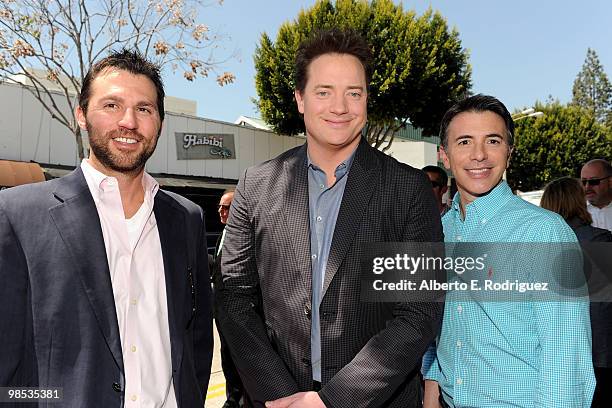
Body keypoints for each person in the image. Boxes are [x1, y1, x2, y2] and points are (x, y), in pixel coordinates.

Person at [217, 29, 443, 408]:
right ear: (300, 99)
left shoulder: (409, 189)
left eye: (353, 93)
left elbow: (418, 311)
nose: (340, 106)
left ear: (367, 100)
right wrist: (282, 395)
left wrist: (333, 401)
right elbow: (234, 299)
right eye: (324, 92)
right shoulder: (256, 186)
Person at [0, 49, 212, 407]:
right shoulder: (18, 214)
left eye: (144, 109)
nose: (128, 122)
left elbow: (197, 343)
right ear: (82, 115)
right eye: (111, 105)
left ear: (159, 122)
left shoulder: (187, 218)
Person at [422, 94, 595, 407]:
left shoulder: (544, 233)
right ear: (444, 155)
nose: (479, 155)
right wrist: (432, 386)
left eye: (492, 140)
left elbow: (565, 356)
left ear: (509, 152)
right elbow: (443, 329)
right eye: (463, 142)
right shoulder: (438, 233)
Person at [541, 176, 612, 408]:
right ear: (577, 202)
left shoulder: (540, 244)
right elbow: (604, 304)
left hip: (552, 349)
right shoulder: (599, 240)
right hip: (598, 349)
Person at [210, 189, 247, 408]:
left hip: (237, 311)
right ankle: (233, 399)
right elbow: (219, 266)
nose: (221, 212)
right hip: (221, 310)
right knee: (226, 358)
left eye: (226, 207)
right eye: (220, 207)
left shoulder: (242, 235)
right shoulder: (224, 233)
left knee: (238, 359)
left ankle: (239, 401)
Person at [580, 159, 612, 231]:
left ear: (610, 182)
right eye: (584, 182)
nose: (587, 187)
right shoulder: (576, 212)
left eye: (593, 181)